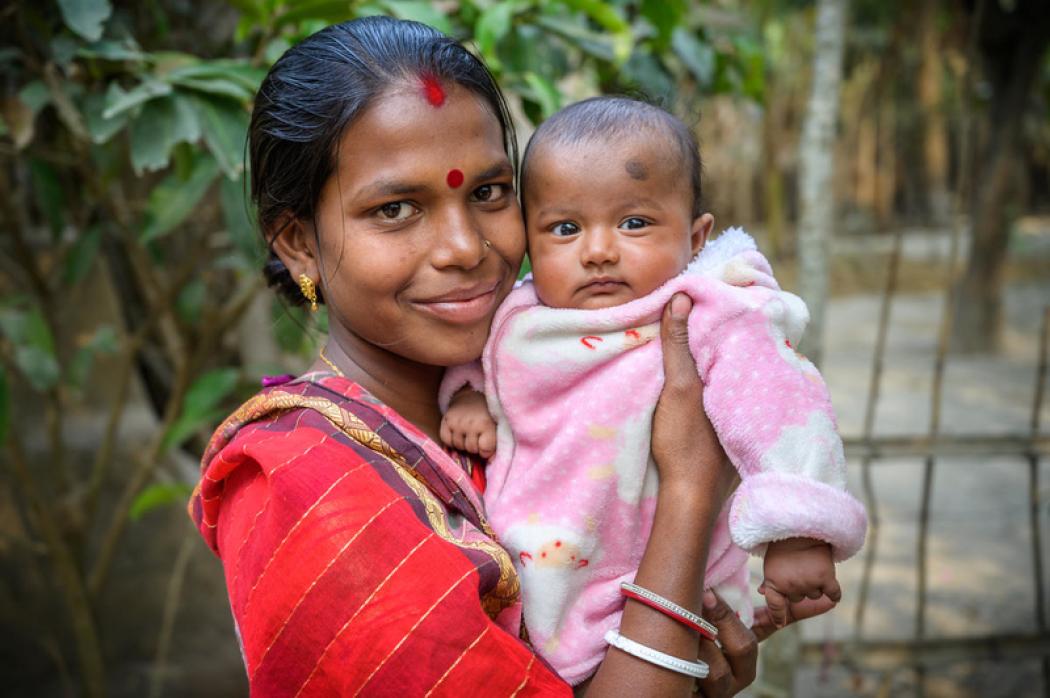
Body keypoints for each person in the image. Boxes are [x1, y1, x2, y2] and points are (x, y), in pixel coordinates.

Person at [188, 17, 830, 697]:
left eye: (490, 193)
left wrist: (694, 664)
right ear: (298, 243)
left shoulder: (540, 384)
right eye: (397, 208)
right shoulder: (303, 486)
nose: (466, 247)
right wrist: (691, 490)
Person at [439, 97, 868, 683]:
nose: (597, 250)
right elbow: (481, 356)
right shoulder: (524, 311)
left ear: (696, 238)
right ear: (529, 244)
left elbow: (783, 406)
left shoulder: (710, 312)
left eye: (634, 222)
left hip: (667, 573)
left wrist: (800, 531)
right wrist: (468, 396)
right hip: (540, 575)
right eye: (565, 228)